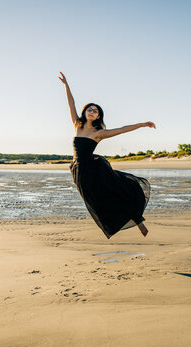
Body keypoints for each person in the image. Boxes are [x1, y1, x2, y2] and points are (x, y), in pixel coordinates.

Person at [59, 72, 156, 238]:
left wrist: (142, 124)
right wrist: (66, 85)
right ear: (85, 112)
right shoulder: (78, 126)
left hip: (93, 169)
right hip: (77, 170)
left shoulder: (99, 133)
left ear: (98, 116)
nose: (92, 111)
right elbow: (71, 104)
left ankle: (138, 221)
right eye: (89, 109)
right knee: (96, 201)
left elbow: (122, 129)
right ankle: (132, 220)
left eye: (95, 111)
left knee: (113, 193)